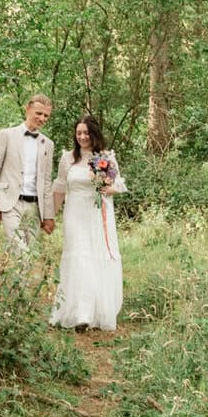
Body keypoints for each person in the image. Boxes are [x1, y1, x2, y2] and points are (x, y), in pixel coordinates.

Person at [50, 114, 126, 332]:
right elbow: (60, 188)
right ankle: (78, 312)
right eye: (78, 133)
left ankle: (94, 310)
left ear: (94, 134)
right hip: (74, 213)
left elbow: (118, 182)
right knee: (79, 257)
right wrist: (50, 217)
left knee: (95, 258)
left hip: (97, 213)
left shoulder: (105, 157)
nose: (82, 137)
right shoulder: (68, 158)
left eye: (86, 132)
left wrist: (112, 189)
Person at [0, 94, 57, 253]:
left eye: (46, 115)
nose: (42, 118)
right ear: (28, 109)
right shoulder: (6, 135)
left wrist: (48, 215)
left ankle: (13, 278)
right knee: (20, 252)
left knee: (30, 254)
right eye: (38, 113)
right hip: (10, 203)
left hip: (35, 207)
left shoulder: (48, 144)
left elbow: (46, 182)